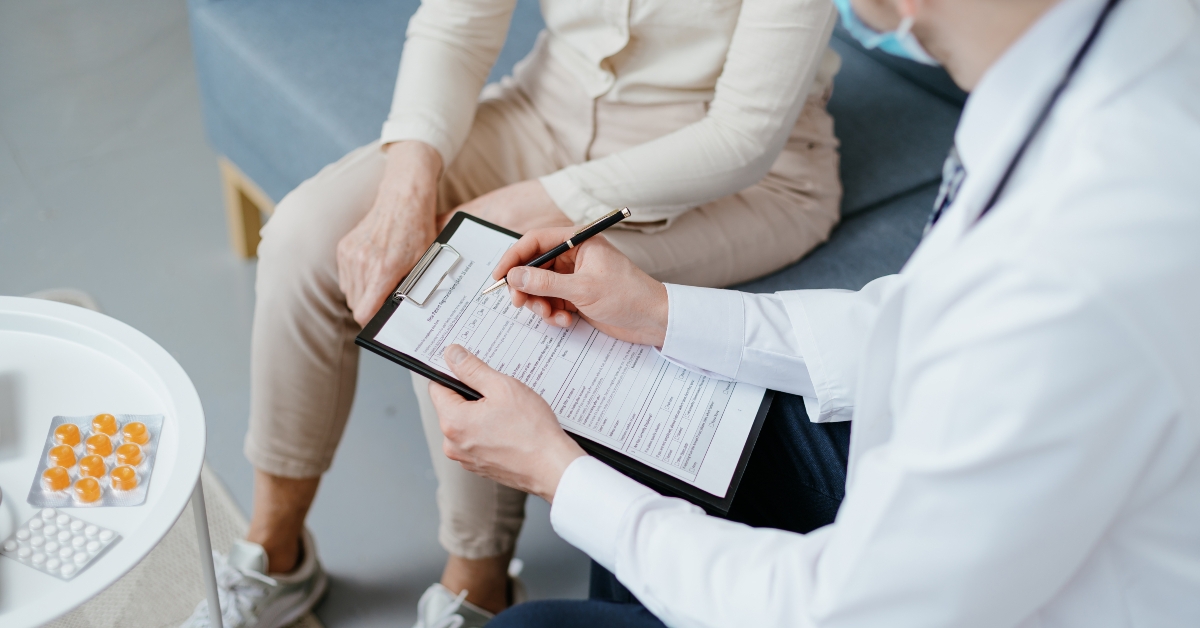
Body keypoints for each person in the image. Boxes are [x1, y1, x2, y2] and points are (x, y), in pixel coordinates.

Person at [425, 0, 1200, 625]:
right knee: (654, 418)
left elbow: (841, 608)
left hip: (942, 597)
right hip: (965, 517)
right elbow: (912, 315)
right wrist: (659, 312)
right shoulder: (1088, 57)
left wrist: (560, 475)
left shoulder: (1073, 265)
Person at [182, 1, 848, 626]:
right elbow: (457, 21)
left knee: (473, 294)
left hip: (732, 181)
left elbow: (743, 137)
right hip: (545, 113)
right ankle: (276, 549)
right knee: (306, 233)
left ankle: (479, 582)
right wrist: (405, 190)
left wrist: (515, 211)